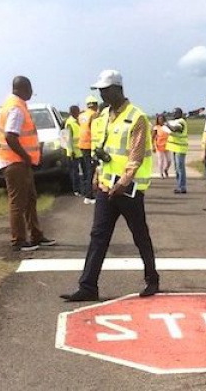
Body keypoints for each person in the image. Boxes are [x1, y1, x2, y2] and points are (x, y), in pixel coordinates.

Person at [60, 69, 159, 301]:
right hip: (106, 187)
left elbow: (135, 155)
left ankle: (152, 279)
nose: (102, 95)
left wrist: (124, 182)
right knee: (98, 235)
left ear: (118, 89)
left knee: (140, 235)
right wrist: (96, 175)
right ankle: (88, 286)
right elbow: (101, 150)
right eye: (100, 91)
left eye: (105, 90)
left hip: (128, 189)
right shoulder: (103, 117)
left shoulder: (137, 118)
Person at [0, 76, 56, 251]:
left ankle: (36, 235)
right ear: (23, 88)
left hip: (18, 162)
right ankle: (19, 240)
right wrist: (26, 156)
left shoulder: (14, 104)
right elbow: (10, 136)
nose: (31, 93)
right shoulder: (16, 108)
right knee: (18, 202)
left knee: (30, 199)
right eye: (30, 89)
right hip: (15, 162)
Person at [78, 95, 99, 204]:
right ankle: (89, 195)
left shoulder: (81, 115)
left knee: (86, 170)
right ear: (95, 104)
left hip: (82, 145)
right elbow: (95, 130)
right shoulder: (94, 115)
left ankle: (87, 192)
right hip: (90, 145)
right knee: (91, 170)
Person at [165, 108, 188, 193]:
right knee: (177, 169)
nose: (173, 115)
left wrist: (167, 125)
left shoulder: (181, 122)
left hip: (180, 148)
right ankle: (179, 185)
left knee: (180, 168)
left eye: (175, 113)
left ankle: (182, 187)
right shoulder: (176, 121)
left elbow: (175, 129)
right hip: (175, 148)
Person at [64, 105, 82, 196]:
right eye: (76, 111)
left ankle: (81, 188)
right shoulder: (69, 122)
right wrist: (71, 151)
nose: (78, 113)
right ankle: (76, 189)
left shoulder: (79, 121)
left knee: (81, 171)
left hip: (80, 150)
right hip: (73, 152)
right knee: (74, 172)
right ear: (72, 112)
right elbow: (68, 138)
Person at [152, 114, 172, 179]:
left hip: (167, 145)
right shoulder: (156, 127)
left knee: (169, 160)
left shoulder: (166, 127)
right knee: (161, 160)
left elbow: (171, 134)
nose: (161, 121)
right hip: (159, 146)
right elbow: (153, 137)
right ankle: (161, 173)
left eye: (162, 119)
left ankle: (166, 169)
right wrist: (153, 146)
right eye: (159, 119)